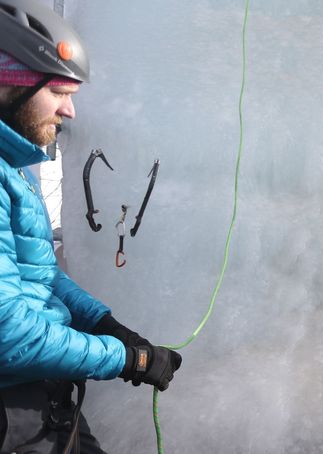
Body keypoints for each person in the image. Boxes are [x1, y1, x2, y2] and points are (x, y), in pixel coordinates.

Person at [0, 1, 182, 452]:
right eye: (60, 91)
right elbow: (8, 334)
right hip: (12, 414)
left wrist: (105, 323)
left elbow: (40, 278)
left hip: (39, 399)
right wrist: (127, 359)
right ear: (9, 81)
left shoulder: (12, 172)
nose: (70, 111)